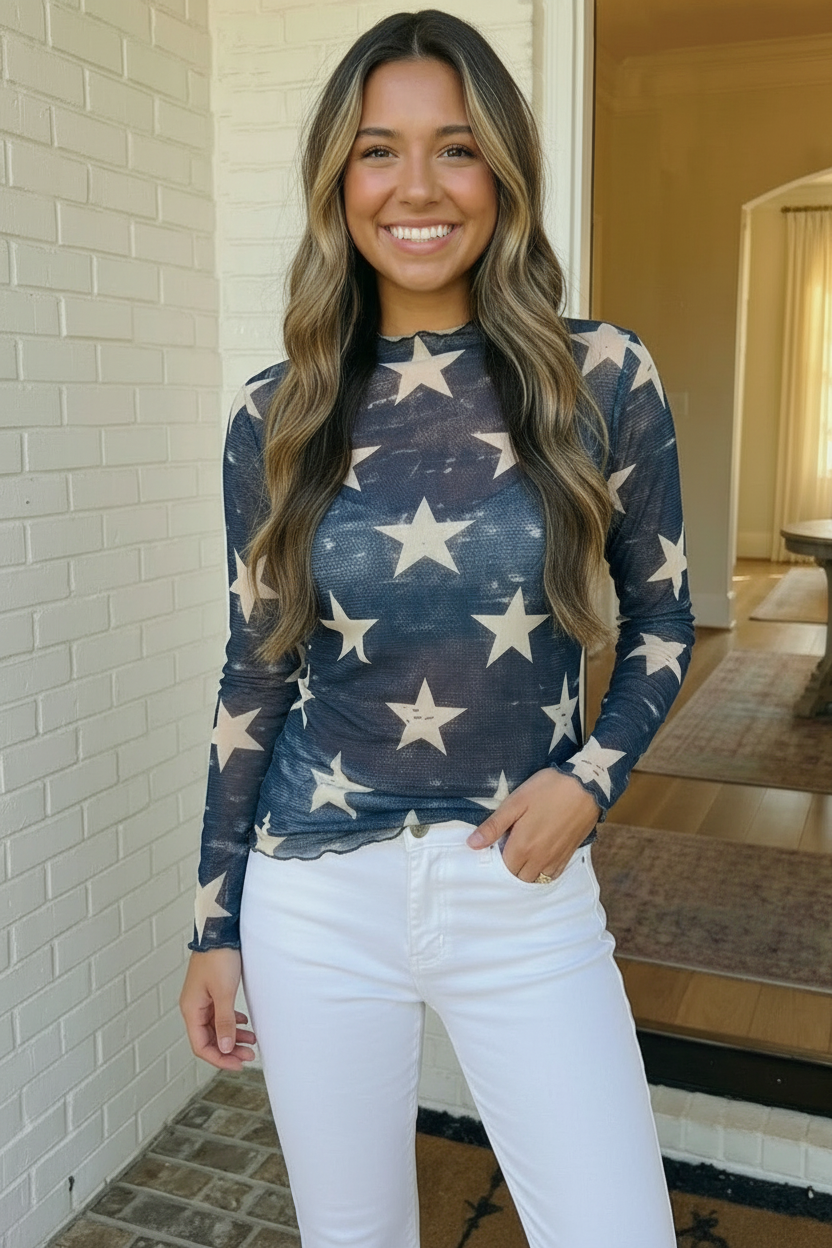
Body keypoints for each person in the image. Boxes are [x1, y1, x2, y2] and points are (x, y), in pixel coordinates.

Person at [180, 10, 694, 1247]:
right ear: (337, 180)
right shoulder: (276, 413)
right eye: (378, 151)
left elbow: (663, 617)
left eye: (455, 148)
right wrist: (213, 925)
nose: (416, 187)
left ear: (502, 171)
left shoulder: (600, 376)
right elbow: (256, 671)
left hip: (518, 881)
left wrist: (590, 779)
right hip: (312, 893)